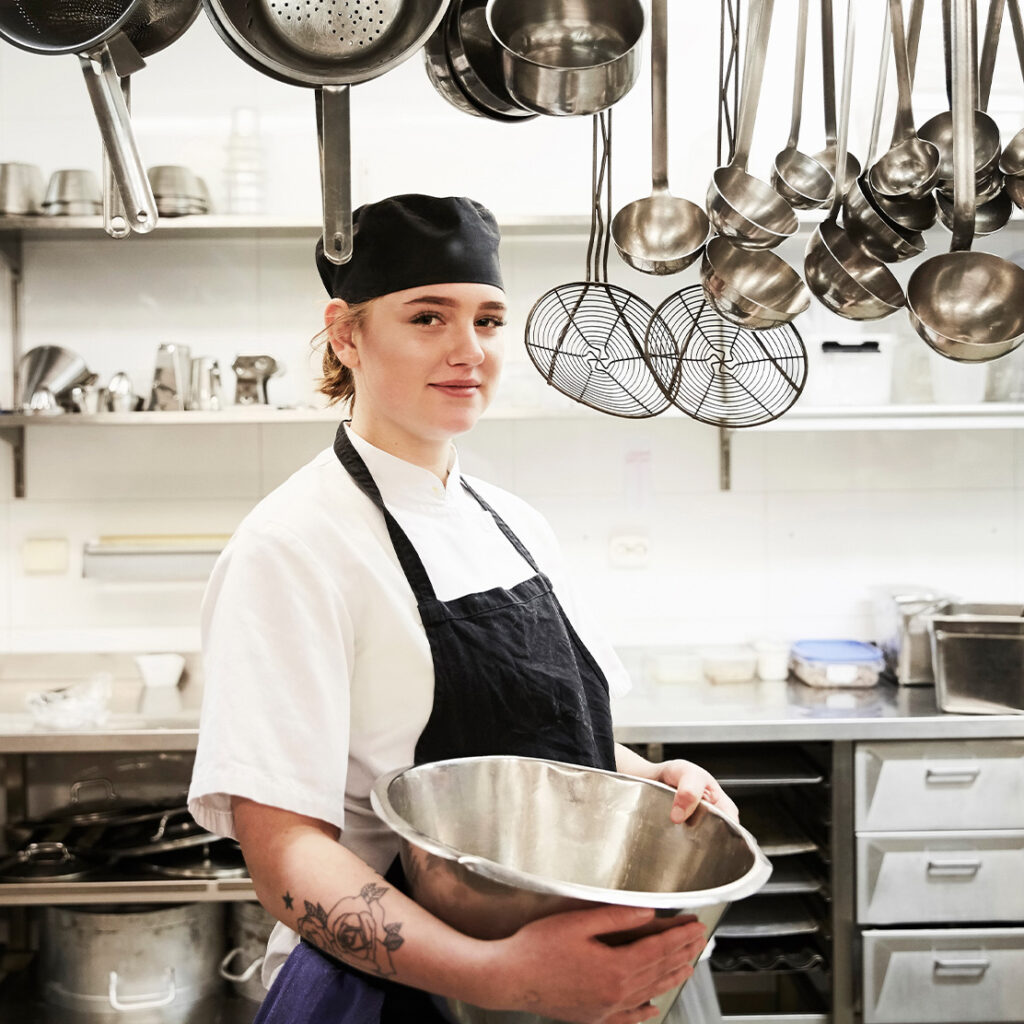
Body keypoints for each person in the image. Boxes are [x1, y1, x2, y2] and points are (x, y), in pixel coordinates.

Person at [188, 194, 739, 1024]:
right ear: (346, 333)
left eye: (488, 320)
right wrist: (504, 976)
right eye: (427, 317)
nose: (467, 352)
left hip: (592, 969)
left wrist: (643, 783)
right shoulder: (294, 547)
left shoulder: (512, 521)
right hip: (412, 994)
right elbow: (286, 858)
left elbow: (530, 745)